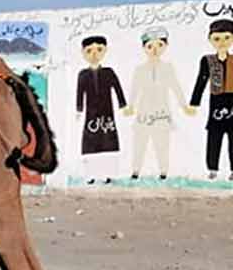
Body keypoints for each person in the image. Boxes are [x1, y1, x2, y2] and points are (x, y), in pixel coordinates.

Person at [124, 27, 193, 180]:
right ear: (144, 48)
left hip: (162, 112)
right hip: (143, 113)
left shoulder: (168, 68)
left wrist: (184, 106)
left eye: (159, 45)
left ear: (165, 46)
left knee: (162, 144)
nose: (154, 50)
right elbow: (134, 90)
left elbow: (176, 88)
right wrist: (131, 107)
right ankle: (135, 171)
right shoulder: (139, 69)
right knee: (140, 144)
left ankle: (163, 172)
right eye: (150, 46)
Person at [76, 35, 126, 184]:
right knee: (90, 143)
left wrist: (122, 104)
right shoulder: (83, 74)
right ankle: (90, 174)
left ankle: (107, 174)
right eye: (89, 50)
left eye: (99, 49)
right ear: (83, 53)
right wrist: (79, 109)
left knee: (108, 142)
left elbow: (118, 89)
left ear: (105, 51)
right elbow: (80, 93)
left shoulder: (109, 72)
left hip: (107, 113)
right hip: (90, 115)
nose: (94, 54)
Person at [190, 19, 233, 181]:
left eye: (226, 38)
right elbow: (201, 81)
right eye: (217, 39)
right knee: (214, 135)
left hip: (232, 100)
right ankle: (212, 168)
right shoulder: (207, 60)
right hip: (216, 100)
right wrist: (194, 103)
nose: (222, 42)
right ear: (210, 39)